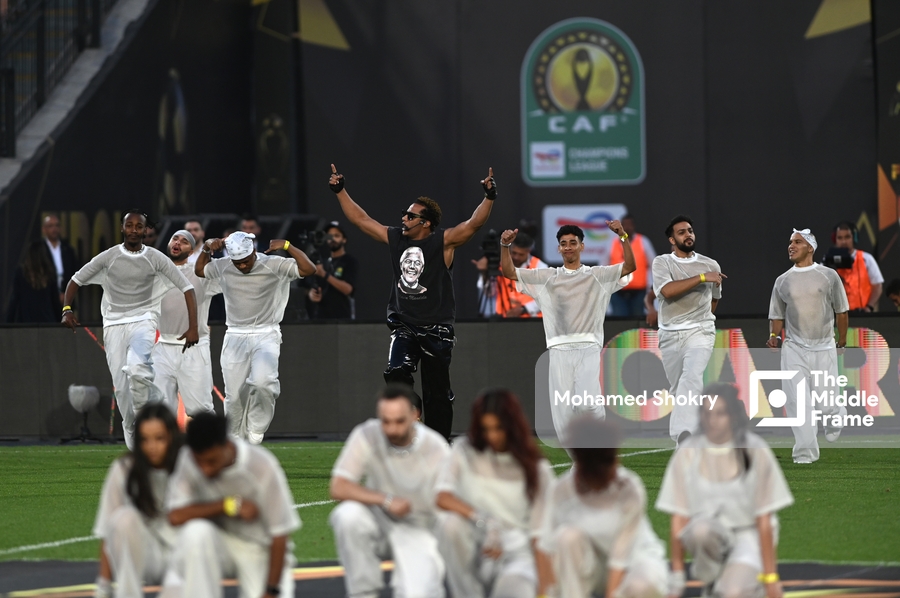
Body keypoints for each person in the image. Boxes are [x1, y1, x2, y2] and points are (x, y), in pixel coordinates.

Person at [328, 163, 496, 440]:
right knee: (396, 371)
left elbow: (474, 224)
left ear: (425, 222)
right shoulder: (395, 238)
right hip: (404, 324)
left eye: (410, 215)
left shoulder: (444, 242)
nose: (403, 218)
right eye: (404, 214)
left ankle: (440, 444)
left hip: (438, 329)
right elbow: (361, 220)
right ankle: (411, 418)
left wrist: (489, 198)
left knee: (437, 394)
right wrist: (340, 190)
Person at [62, 211, 199, 449]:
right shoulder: (109, 257)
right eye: (130, 225)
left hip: (144, 320)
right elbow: (75, 280)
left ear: (146, 230)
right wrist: (66, 309)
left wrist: (193, 327)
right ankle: (132, 429)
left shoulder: (155, 258)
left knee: (137, 367)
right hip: (114, 324)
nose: (134, 230)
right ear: (122, 228)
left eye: (139, 226)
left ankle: (150, 405)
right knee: (123, 389)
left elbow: (187, 288)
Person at [500, 223, 634, 445]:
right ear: (559, 249)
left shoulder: (597, 275)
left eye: (573, 243)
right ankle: (579, 462)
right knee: (562, 414)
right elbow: (509, 272)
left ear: (582, 246)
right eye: (564, 244)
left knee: (587, 404)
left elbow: (630, 266)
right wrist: (505, 245)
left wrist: (623, 236)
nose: (568, 247)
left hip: (588, 347)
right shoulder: (547, 277)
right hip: (558, 350)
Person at [656, 383, 794, 598]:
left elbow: (764, 519)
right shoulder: (687, 453)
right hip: (709, 532)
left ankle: (738, 585)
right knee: (699, 530)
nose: (713, 421)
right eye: (707, 413)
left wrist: (771, 578)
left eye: (720, 413)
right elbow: (679, 519)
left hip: (749, 534)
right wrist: (677, 577)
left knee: (732, 593)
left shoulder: (755, 450)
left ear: (733, 415)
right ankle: (713, 579)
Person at [329, 384, 451, 598]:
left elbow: (450, 499)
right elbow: (339, 487)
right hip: (378, 521)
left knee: (418, 594)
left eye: (399, 421)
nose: (392, 429)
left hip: (419, 526)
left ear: (414, 415)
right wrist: (386, 500)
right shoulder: (367, 434)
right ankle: (363, 591)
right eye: (386, 421)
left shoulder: (434, 447)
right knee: (347, 516)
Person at [161, 412, 300, 598]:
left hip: (259, 549)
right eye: (199, 462)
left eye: (211, 461)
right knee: (195, 533)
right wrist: (228, 505)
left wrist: (271, 590)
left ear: (227, 446)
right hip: (218, 543)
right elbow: (175, 515)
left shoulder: (262, 466)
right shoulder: (188, 458)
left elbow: (280, 534)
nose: (205, 469)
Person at [194, 231, 315, 443]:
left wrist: (288, 245)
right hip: (234, 335)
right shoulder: (224, 265)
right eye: (237, 262)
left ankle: (257, 427)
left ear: (254, 251)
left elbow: (309, 269)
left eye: (246, 261)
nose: (241, 266)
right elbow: (200, 270)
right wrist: (206, 247)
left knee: (263, 383)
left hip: (266, 333)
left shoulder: (274, 264)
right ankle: (235, 440)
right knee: (233, 395)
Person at [435, 388, 554, 598]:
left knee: (513, 590)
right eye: (485, 429)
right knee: (451, 526)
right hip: (477, 542)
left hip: (517, 554)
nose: (492, 436)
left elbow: (541, 535)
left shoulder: (536, 468)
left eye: (499, 428)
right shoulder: (464, 450)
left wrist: (545, 590)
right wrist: (485, 521)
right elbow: (442, 497)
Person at [534, 416, 668, 598]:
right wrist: (544, 594)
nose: (616, 465)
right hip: (592, 569)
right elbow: (546, 546)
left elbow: (620, 557)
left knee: (639, 588)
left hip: (635, 562)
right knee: (566, 538)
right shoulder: (560, 491)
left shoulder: (630, 489)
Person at [768, 228, 849, 464]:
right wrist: (774, 334)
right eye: (790, 242)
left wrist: (841, 340)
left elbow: (841, 310)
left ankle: (836, 414)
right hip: (794, 348)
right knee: (797, 403)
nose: (791, 246)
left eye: (797, 242)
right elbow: (777, 314)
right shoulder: (782, 280)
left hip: (824, 347)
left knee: (826, 405)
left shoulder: (828, 275)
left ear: (810, 248)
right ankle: (805, 453)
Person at [93, 404, 181, 598]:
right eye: (145, 439)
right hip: (142, 555)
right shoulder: (124, 469)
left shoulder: (188, 468)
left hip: (181, 556)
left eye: (160, 439)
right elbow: (107, 530)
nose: (152, 447)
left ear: (172, 438)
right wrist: (104, 586)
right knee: (124, 518)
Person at [652, 215, 726, 443]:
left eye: (690, 230)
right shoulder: (662, 262)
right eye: (682, 232)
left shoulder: (711, 264)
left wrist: (704, 319)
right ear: (672, 240)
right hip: (669, 333)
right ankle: (691, 437)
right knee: (679, 390)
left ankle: (684, 433)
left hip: (700, 331)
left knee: (691, 378)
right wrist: (702, 277)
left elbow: (714, 301)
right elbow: (667, 291)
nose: (688, 235)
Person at [152, 230, 221, 417]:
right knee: (161, 411)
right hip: (162, 347)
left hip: (193, 348)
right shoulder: (154, 274)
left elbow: (229, 278)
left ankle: (213, 446)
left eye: (184, 241)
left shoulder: (200, 273)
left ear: (191, 252)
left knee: (200, 410)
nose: (178, 243)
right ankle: (166, 447)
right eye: (175, 238)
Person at [474, 232, 547, 318]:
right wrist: (484, 273)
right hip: (505, 320)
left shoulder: (540, 267)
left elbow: (546, 297)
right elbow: (489, 293)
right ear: (510, 248)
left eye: (521, 254)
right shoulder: (500, 265)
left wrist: (524, 309)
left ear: (528, 251)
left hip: (531, 320)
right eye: (514, 253)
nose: (516, 257)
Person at [307, 221, 359, 320]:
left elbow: (348, 289)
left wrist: (324, 274)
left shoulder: (350, 261)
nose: (333, 239)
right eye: (330, 236)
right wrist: (312, 294)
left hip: (342, 318)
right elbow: (309, 287)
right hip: (321, 318)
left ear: (344, 239)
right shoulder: (322, 262)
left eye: (337, 235)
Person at [609, 214, 656, 318]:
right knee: (619, 322)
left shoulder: (643, 241)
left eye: (630, 225)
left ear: (634, 226)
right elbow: (603, 266)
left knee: (637, 321)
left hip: (639, 292)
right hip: (617, 291)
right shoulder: (611, 243)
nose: (627, 227)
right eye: (624, 225)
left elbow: (654, 264)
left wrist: (651, 285)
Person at [830, 222, 884, 312]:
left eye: (847, 237)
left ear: (854, 238)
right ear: (835, 240)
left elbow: (878, 287)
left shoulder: (866, 258)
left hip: (862, 315)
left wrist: (869, 307)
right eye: (840, 238)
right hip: (837, 316)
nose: (843, 241)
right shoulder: (827, 261)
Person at [5, 239, 62, 322]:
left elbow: (15, 299)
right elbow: (55, 301)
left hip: (25, 321)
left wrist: (8, 322)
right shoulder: (49, 273)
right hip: (46, 321)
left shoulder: (21, 273)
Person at [41, 213, 78, 305]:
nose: (54, 229)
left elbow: (74, 272)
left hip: (65, 298)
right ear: (44, 229)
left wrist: (66, 294)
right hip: (45, 299)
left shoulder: (68, 250)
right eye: (50, 226)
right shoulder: (39, 250)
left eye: (57, 225)